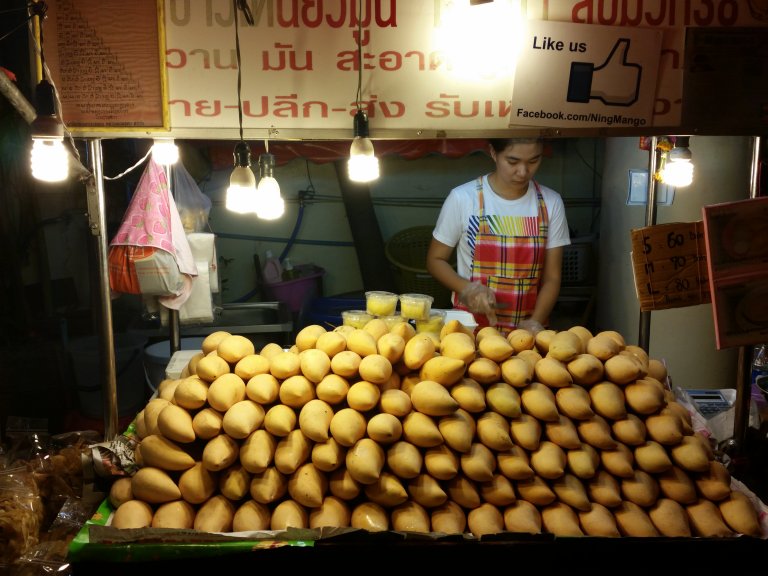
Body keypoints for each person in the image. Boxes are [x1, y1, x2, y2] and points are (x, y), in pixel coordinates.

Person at [426, 137, 571, 336]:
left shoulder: (551, 203)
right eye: (513, 161)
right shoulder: (463, 198)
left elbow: (552, 278)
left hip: (527, 333)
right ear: (493, 153)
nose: (523, 171)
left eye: (533, 161)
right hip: (469, 328)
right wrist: (468, 289)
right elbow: (435, 260)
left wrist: (535, 322)